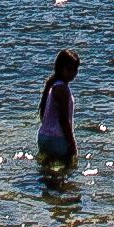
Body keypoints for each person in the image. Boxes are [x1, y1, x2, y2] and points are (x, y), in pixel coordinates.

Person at [38, 46, 80, 174]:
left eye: (75, 70)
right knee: (64, 172)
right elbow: (64, 120)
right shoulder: (62, 89)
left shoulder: (52, 86)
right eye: (69, 69)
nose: (72, 73)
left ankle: (47, 193)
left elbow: (43, 115)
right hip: (57, 139)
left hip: (44, 137)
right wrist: (72, 145)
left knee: (47, 173)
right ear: (60, 68)